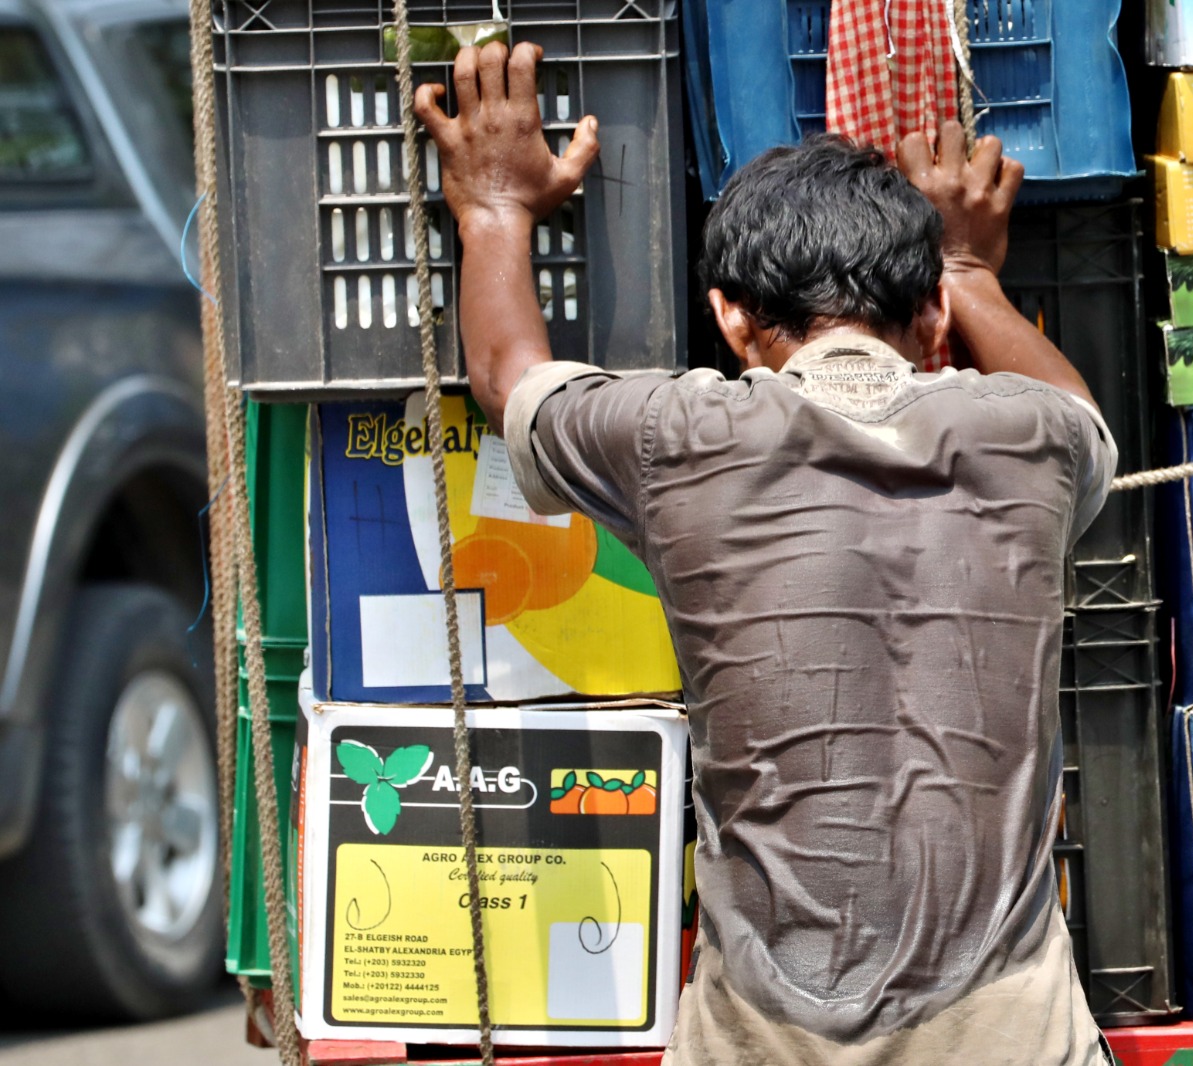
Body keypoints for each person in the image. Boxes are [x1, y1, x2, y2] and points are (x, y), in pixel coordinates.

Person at [416, 41, 1117, 1066]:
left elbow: (506, 373)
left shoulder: (673, 437)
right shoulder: (1030, 440)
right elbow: (1079, 412)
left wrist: (492, 206)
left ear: (731, 320)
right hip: (1010, 1035)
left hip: (765, 1039)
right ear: (932, 322)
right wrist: (969, 271)